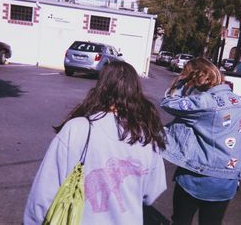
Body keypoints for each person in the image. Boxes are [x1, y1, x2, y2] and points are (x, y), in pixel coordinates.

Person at [24, 61, 167, 225]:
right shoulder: (146, 136)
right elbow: (152, 193)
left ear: (101, 87)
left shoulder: (77, 129)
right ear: (135, 91)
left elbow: (43, 193)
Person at [160, 57, 241, 225]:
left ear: (195, 78)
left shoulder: (203, 103)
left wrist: (181, 84)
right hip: (228, 181)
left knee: (181, 221)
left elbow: (168, 103)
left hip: (196, 178)